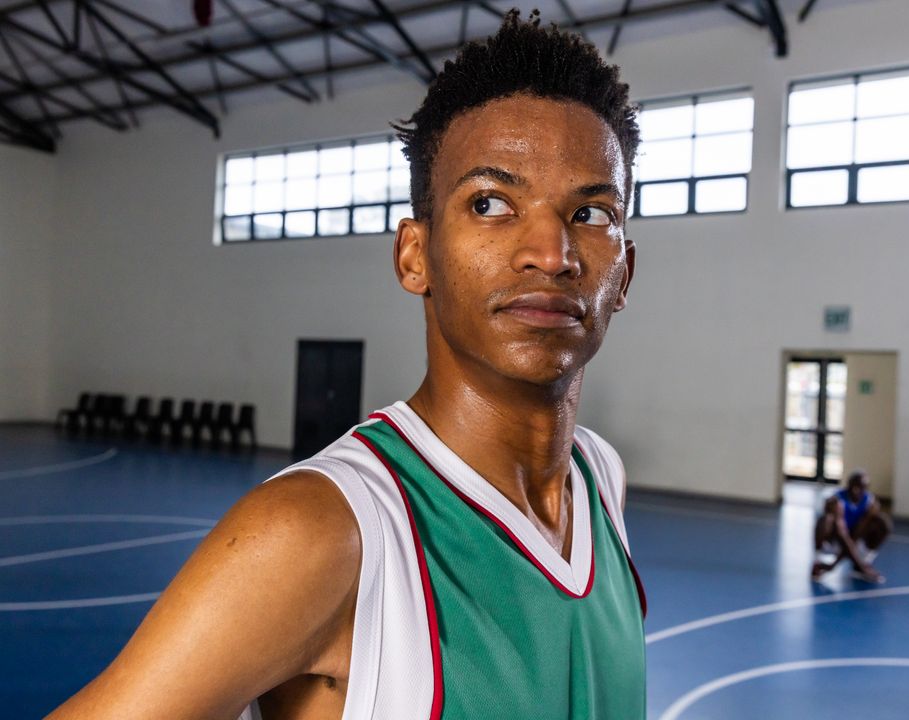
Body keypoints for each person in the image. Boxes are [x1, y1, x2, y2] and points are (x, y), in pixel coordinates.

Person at [46, 12, 645, 720]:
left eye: (592, 213)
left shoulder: (600, 479)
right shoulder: (322, 529)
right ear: (413, 256)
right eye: (490, 203)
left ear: (625, 272)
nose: (551, 253)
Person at [812, 469, 891, 583]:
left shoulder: (871, 503)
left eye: (861, 487)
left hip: (856, 541)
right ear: (848, 485)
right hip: (835, 543)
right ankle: (817, 560)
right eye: (854, 486)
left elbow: (856, 535)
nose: (856, 490)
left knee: (882, 522)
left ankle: (864, 563)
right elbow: (842, 534)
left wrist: (834, 565)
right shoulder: (836, 501)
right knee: (825, 520)